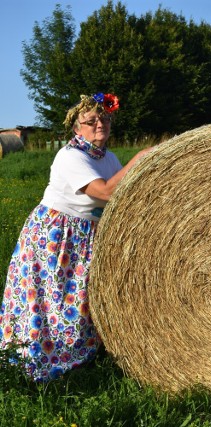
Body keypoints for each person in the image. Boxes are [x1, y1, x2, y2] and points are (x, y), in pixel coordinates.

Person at [0, 92, 153, 382]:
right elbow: (106, 192)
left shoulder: (109, 158)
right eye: (91, 121)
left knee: (79, 299)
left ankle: (77, 356)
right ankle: (36, 361)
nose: (100, 125)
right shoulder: (70, 156)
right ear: (76, 128)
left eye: (105, 119)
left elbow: (124, 194)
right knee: (50, 298)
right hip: (56, 236)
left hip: (85, 235)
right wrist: (140, 158)